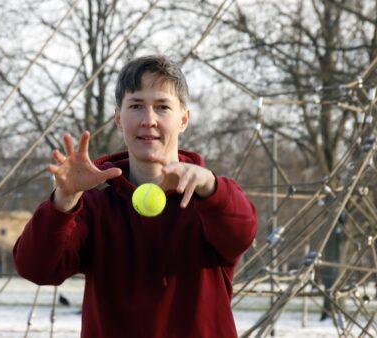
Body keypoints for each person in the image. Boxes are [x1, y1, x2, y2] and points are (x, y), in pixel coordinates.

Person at [13, 55, 258, 337]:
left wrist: (210, 186)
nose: (149, 120)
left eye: (162, 107)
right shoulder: (93, 206)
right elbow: (36, 267)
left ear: (183, 119)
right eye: (137, 106)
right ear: (119, 118)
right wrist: (64, 199)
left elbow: (242, 234)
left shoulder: (212, 200)